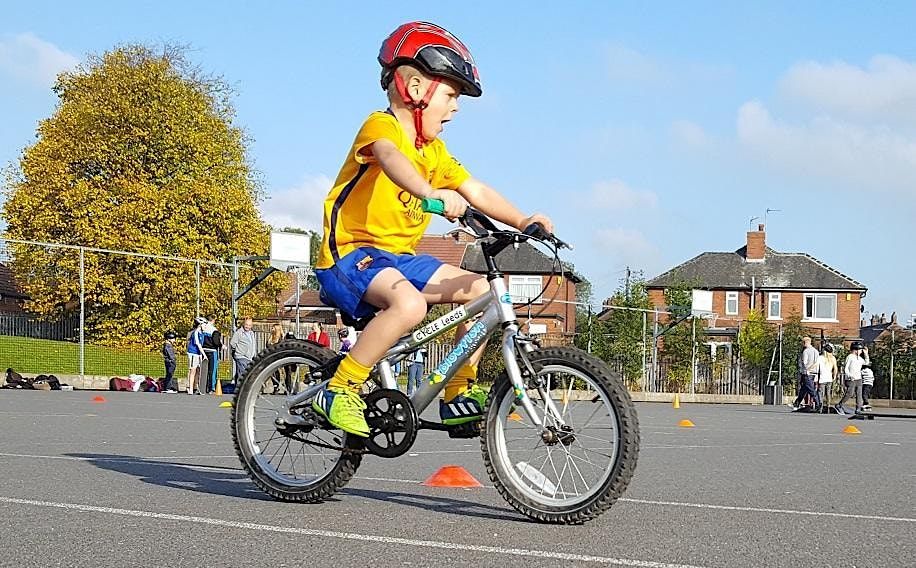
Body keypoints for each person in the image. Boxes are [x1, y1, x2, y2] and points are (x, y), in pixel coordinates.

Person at [310, 21, 553, 438]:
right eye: (451, 95)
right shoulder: (382, 128)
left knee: (480, 290)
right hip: (351, 256)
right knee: (410, 307)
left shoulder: (435, 152)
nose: (456, 108)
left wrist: (522, 220)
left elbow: (473, 188)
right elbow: (389, 158)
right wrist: (429, 193)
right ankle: (339, 389)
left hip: (398, 262)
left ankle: (456, 391)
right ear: (416, 88)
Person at [791, 336, 821, 412]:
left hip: (807, 373)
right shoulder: (816, 351)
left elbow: (804, 362)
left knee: (811, 389)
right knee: (803, 389)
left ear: (805, 342)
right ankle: (796, 403)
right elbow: (817, 362)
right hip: (814, 372)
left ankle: (818, 404)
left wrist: (807, 369)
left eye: (803, 342)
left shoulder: (806, 351)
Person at [836, 342, 865, 415]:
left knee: (859, 394)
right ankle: (840, 405)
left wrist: (866, 355)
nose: (861, 351)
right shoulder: (850, 357)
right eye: (860, 350)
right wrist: (849, 375)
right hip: (851, 379)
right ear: (855, 350)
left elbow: (866, 363)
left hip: (858, 378)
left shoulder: (860, 358)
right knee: (850, 393)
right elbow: (846, 368)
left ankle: (858, 408)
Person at [229, 316, 257, 383]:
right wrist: (239, 350)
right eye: (246, 324)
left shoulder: (251, 333)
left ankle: (240, 386)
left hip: (249, 357)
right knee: (242, 373)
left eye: (249, 325)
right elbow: (232, 343)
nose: (247, 326)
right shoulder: (239, 332)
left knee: (246, 373)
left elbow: (252, 344)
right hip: (241, 356)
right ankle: (240, 387)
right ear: (243, 324)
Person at [186, 316, 207, 394]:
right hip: (192, 353)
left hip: (198, 354)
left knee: (198, 370)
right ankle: (190, 388)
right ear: (200, 325)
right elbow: (198, 344)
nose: (205, 326)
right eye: (204, 324)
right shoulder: (196, 332)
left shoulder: (203, 333)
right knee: (193, 370)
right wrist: (204, 354)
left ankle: (196, 387)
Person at [816, 343, 838, 413]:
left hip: (822, 378)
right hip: (829, 378)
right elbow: (835, 368)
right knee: (828, 393)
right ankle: (828, 405)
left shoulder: (820, 358)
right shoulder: (833, 358)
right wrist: (834, 376)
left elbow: (816, 366)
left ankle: (820, 405)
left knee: (820, 392)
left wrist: (809, 369)